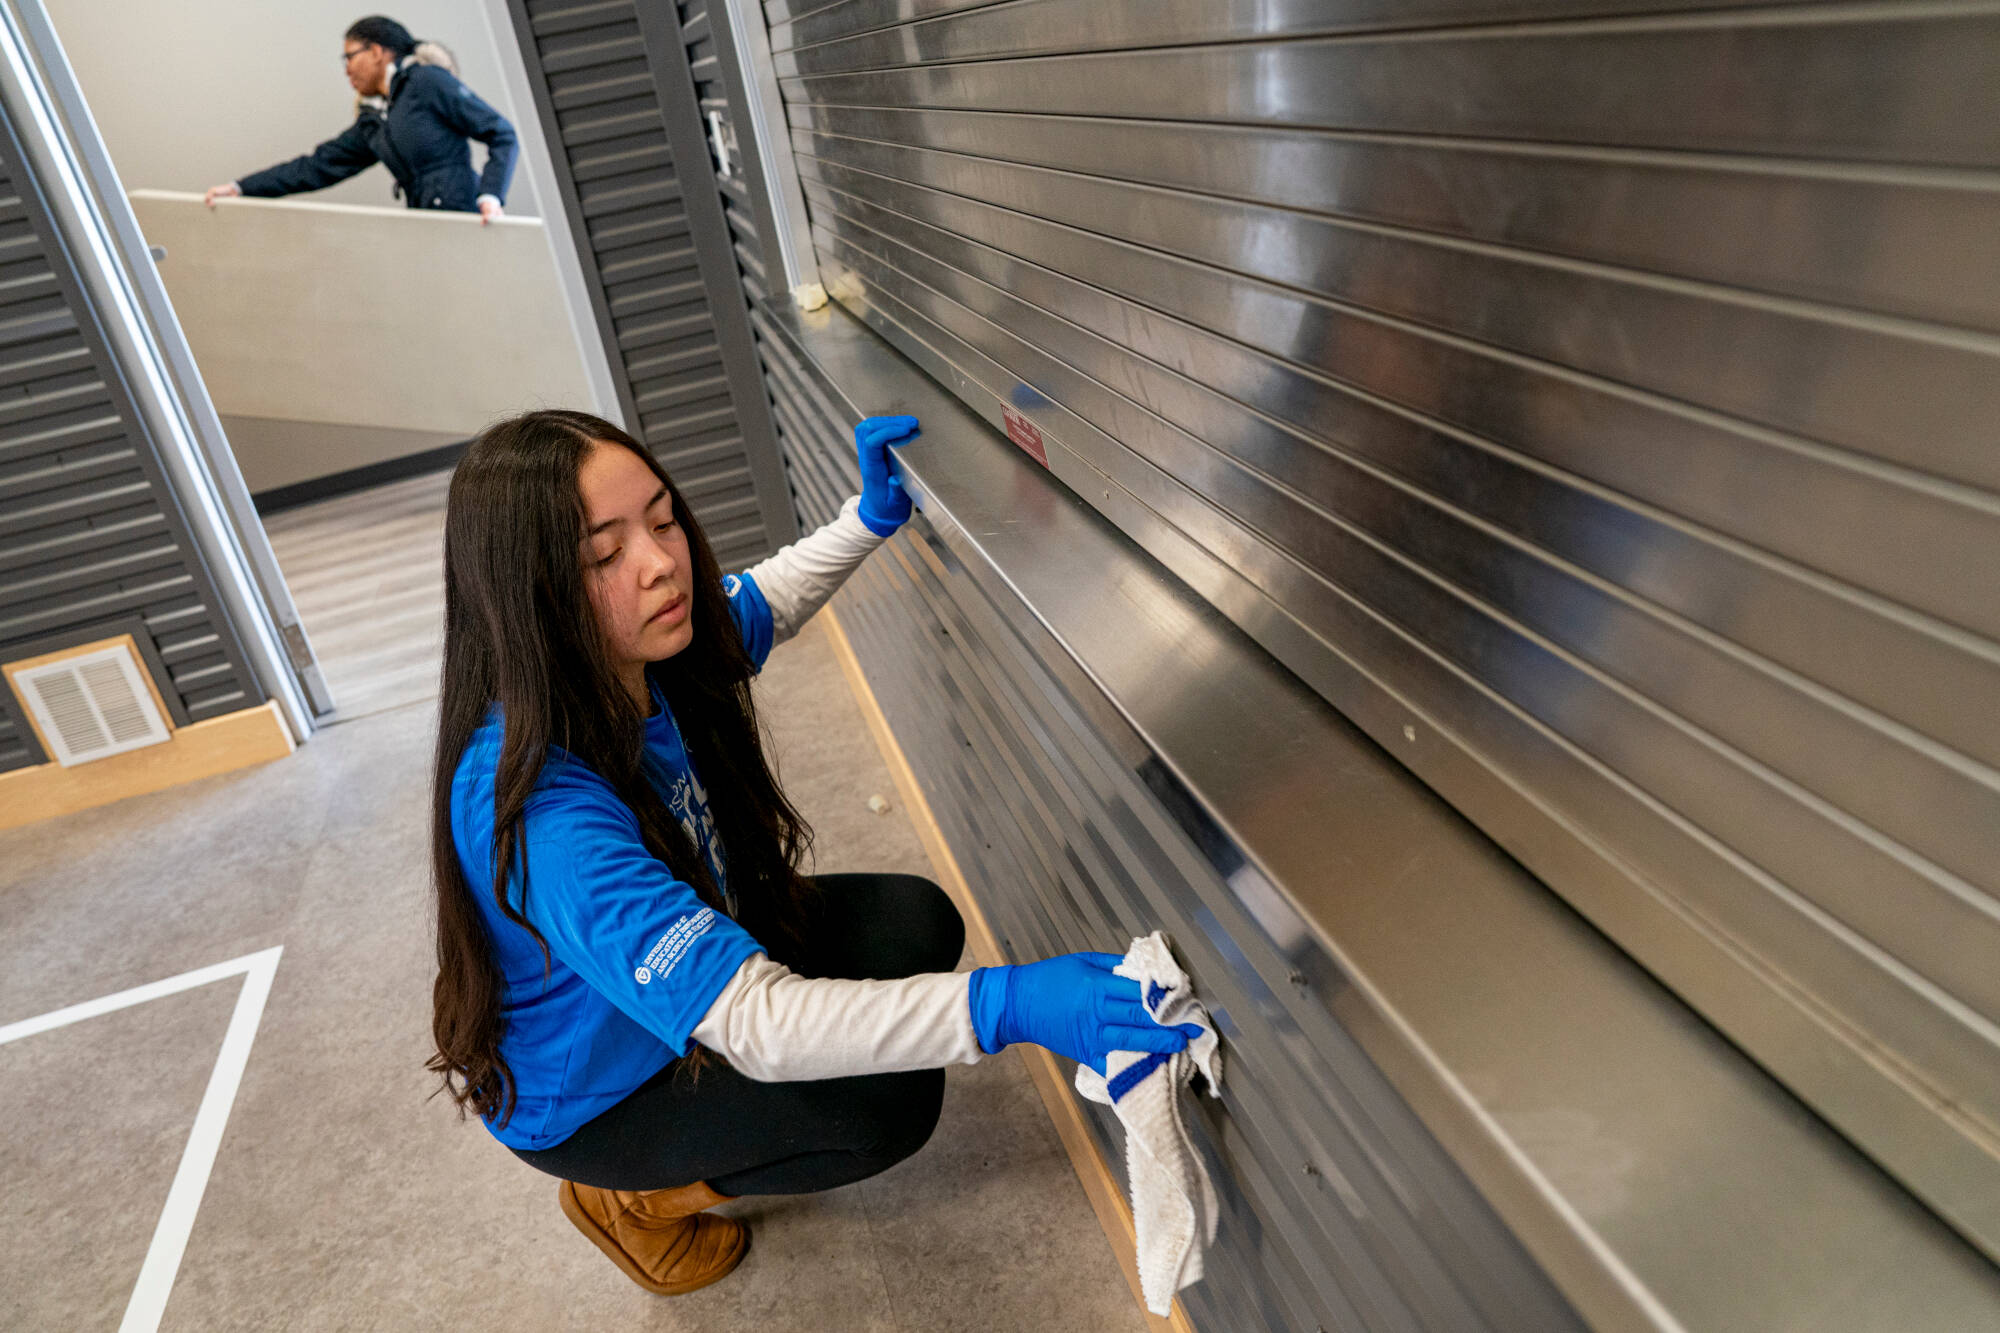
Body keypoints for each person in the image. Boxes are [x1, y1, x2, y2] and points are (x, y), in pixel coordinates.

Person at [428, 409, 1199, 1296]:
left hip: (666, 983)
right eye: (603, 556)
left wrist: (864, 519)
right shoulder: (539, 810)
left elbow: (759, 606)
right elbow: (758, 1025)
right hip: (598, 1086)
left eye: (662, 517)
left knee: (918, 920)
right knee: (885, 1107)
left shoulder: (640, 646)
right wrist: (1013, 1002)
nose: (659, 562)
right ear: (527, 594)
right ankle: (630, 1200)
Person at [204, 16, 516, 223]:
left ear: (378, 52)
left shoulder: (426, 82)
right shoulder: (374, 122)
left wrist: (490, 196)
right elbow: (316, 166)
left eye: (350, 56)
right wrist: (240, 188)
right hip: (425, 225)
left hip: (466, 220)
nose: (347, 69)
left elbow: (501, 133)